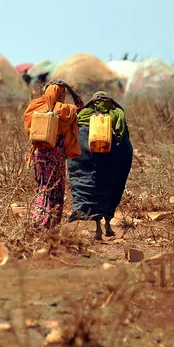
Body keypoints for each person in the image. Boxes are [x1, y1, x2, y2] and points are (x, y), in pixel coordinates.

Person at [66, 91, 134, 240]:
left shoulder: (84, 115)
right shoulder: (117, 115)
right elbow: (124, 138)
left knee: (93, 191)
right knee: (110, 191)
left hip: (89, 162)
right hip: (112, 163)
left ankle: (98, 229)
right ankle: (108, 225)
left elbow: (76, 137)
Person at [23, 80, 84, 232]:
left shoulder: (35, 107)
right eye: (63, 93)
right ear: (62, 95)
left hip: (38, 155)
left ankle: (38, 222)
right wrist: (70, 88)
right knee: (55, 191)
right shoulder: (65, 110)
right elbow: (81, 107)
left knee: (42, 188)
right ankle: (48, 226)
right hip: (56, 157)